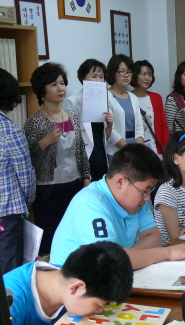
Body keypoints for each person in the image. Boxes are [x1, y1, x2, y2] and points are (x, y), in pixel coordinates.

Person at [50, 143, 185, 268]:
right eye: (145, 190)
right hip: (73, 295)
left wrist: (125, 257)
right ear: (120, 181)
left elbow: (154, 238)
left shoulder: (137, 199)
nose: (147, 198)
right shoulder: (90, 204)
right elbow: (110, 261)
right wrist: (167, 253)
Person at [4, 240, 133, 325]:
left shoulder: (74, 275)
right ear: (76, 288)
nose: (100, 311)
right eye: (98, 305)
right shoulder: (10, 297)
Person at [24, 62, 91, 255]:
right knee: (51, 237)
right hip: (48, 189)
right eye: (53, 84)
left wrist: (86, 179)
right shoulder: (35, 122)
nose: (60, 88)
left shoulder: (71, 115)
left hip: (74, 184)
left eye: (62, 83)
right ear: (41, 90)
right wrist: (43, 143)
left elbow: (80, 150)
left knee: (75, 233)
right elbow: (27, 158)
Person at [0, 68, 36, 273]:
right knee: (9, 276)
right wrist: (27, 202)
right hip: (7, 214)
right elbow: (25, 176)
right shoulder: (10, 131)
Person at [63, 59, 115, 181]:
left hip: (101, 156)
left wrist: (109, 126)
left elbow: (104, 137)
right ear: (83, 78)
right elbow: (68, 135)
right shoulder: (72, 101)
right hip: (83, 158)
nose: (98, 80)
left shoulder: (104, 101)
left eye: (101, 77)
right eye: (94, 76)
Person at [105, 54, 144, 157]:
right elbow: (111, 131)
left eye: (129, 72)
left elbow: (139, 128)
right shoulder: (106, 96)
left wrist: (138, 149)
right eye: (122, 71)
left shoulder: (133, 97)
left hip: (135, 152)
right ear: (113, 72)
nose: (126, 75)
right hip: (115, 152)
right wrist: (128, 150)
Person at [131, 60, 169, 157]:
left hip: (156, 150)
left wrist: (167, 148)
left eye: (150, 75)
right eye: (143, 74)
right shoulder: (128, 98)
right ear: (135, 75)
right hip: (136, 150)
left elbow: (163, 125)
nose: (147, 78)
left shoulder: (156, 97)